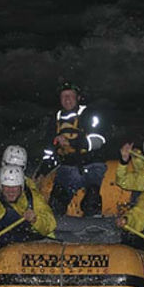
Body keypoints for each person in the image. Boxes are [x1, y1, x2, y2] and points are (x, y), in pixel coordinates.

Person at [39, 81, 107, 216]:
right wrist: (42, 171)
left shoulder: (90, 114)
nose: (67, 99)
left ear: (78, 98)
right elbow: (49, 150)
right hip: (67, 167)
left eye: (70, 96)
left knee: (91, 200)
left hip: (92, 165)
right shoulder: (55, 119)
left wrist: (72, 142)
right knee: (56, 203)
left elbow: (98, 140)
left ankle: (94, 219)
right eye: (64, 96)